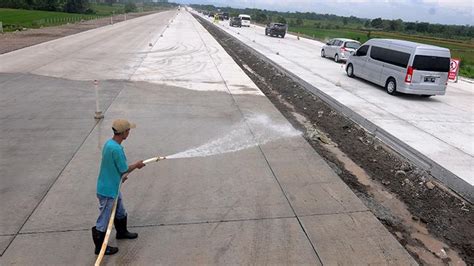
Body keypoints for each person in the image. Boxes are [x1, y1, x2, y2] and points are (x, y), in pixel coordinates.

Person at [91, 119, 146, 255]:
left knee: (120, 211)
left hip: (111, 185)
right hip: (108, 190)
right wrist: (137, 165)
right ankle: (100, 248)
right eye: (128, 130)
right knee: (104, 219)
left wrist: (120, 178)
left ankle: (122, 232)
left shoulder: (109, 144)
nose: (129, 132)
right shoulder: (117, 149)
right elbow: (124, 168)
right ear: (123, 133)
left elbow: (112, 167)